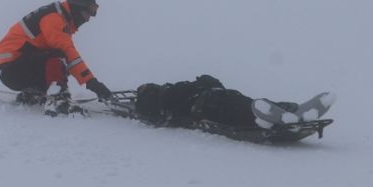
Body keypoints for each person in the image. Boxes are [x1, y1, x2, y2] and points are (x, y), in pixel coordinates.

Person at [0, 0, 112, 115]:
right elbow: (68, 52)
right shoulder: (54, 18)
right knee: (59, 55)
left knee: (57, 60)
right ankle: (57, 100)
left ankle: (34, 93)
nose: (88, 19)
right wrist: (92, 82)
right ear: (77, 9)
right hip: (12, 68)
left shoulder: (58, 16)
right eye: (87, 13)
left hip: (13, 67)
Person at [132, 74, 335, 130]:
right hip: (210, 107)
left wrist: (204, 83)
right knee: (245, 108)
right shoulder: (165, 95)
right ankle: (274, 117)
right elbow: (164, 116)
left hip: (218, 97)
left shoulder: (171, 90)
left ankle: (290, 112)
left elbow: (211, 81)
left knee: (251, 103)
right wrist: (203, 82)